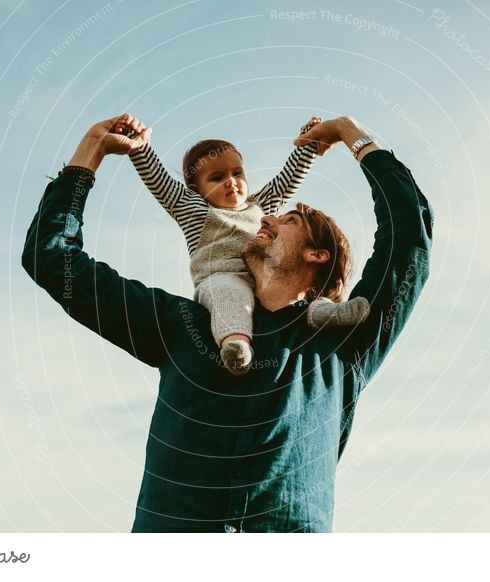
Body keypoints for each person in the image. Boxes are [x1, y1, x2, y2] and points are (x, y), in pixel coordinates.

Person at [22, 113, 433, 532]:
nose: (265, 217)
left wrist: (352, 133)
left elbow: (409, 235)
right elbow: (52, 258)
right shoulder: (180, 326)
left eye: (288, 220)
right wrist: (88, 154)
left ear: (317, 255)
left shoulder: (345, 343)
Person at [125, 116, 370, 374]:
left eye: (237, 173)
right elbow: (160, 182)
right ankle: (236, 344)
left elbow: (288, 179)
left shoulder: (259, 206)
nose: (231, 181)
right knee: (230, 297)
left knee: (298, 299)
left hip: (262, 281)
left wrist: (309, 143)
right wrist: (140, 148)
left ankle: (328, 313)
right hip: (221, 278)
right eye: (217, 177)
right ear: (196, 189)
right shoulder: (193, 210)